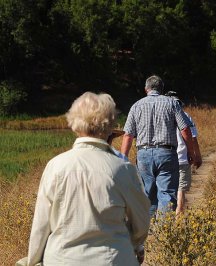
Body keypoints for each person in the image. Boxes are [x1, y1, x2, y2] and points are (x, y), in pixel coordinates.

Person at [27, 92, 150, 266]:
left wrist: (33, 261)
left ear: (73, 123)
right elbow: (142, 222)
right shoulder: (122, 169)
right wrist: (131, 243)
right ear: (109, 125)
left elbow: (41, 225)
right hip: (113, 259)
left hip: (61, 260)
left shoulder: (55, 166)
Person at [121, 75, 195, 218]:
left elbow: (128, 135)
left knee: (147, 193)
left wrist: (123, 158)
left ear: (146, 89)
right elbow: (185, 129)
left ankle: (149, 231)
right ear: (162, 89)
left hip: (143, 154)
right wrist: (190, 152)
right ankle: (163, 233)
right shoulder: (172, 104)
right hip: (166, 154)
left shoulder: (136, 106)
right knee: (166, 193)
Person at [165, 91, 202, 215]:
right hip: (183, 158)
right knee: (181, 188)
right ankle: (179, 215)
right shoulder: (186, 116)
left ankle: (166, 217)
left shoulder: (162, 116)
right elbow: (193, 137)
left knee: (167, 188)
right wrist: (197, 155)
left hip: (166, 157)